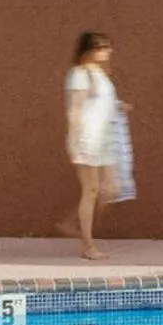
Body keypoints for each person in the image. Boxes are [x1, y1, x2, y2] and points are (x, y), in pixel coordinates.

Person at [56, 31, 130, 259]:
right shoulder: (79, 75)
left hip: (105, 138)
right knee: (91, 190)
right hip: (88, 138)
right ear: (89, 50)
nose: (108, 51)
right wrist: (75, 139)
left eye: (108, 46)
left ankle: (72, 224)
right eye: (102, 47)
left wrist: (119, 106)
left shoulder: (100, 74)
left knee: (111, 189)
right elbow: (75, 108)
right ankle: (87, 246)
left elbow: (100, 104)